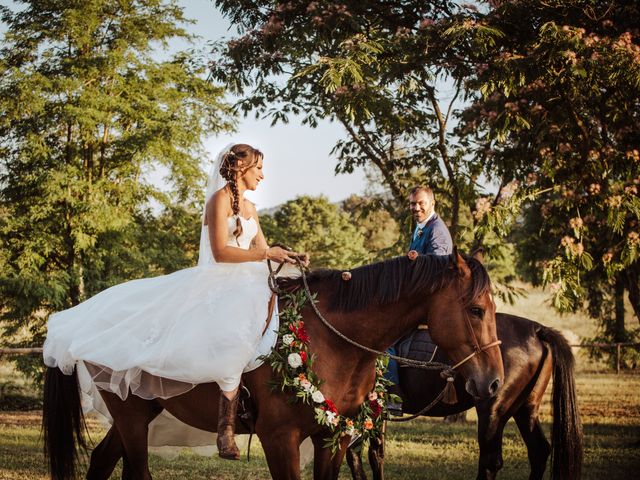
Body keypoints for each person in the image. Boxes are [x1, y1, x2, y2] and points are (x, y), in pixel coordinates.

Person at [43, 143, 308, 460]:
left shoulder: (250, 208)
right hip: (220, 280)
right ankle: (225, 427)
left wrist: (288, 257)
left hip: (250, 279)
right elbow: (222, 253)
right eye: (259, 169)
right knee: (234, 333)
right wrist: (265, 253)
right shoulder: (218, 201)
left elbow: (263, 249)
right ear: (241, 169)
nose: (263, 176)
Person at [386, 185, 453, 415]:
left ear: (432, 204)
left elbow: (440, 268)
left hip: (428, 302)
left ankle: (392, 395)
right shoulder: (420, 227)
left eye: (421, 203)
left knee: (387, 337)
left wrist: (420, 260)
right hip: (417, 297)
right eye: (413, 203)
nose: (416, 208)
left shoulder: (437, 231)